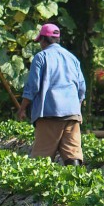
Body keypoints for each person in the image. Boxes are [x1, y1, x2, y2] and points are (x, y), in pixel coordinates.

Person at [16, 23, 87, 166]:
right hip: (72, 115)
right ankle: (77, 185)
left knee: (41, 159)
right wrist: (77, 109)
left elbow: (33, 86)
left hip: (49, 113)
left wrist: (22, 108)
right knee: (73, 154)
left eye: (40, 41)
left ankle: (40, 188)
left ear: (43, 39)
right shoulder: (72, 58)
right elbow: (82, 89)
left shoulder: (41, 57)